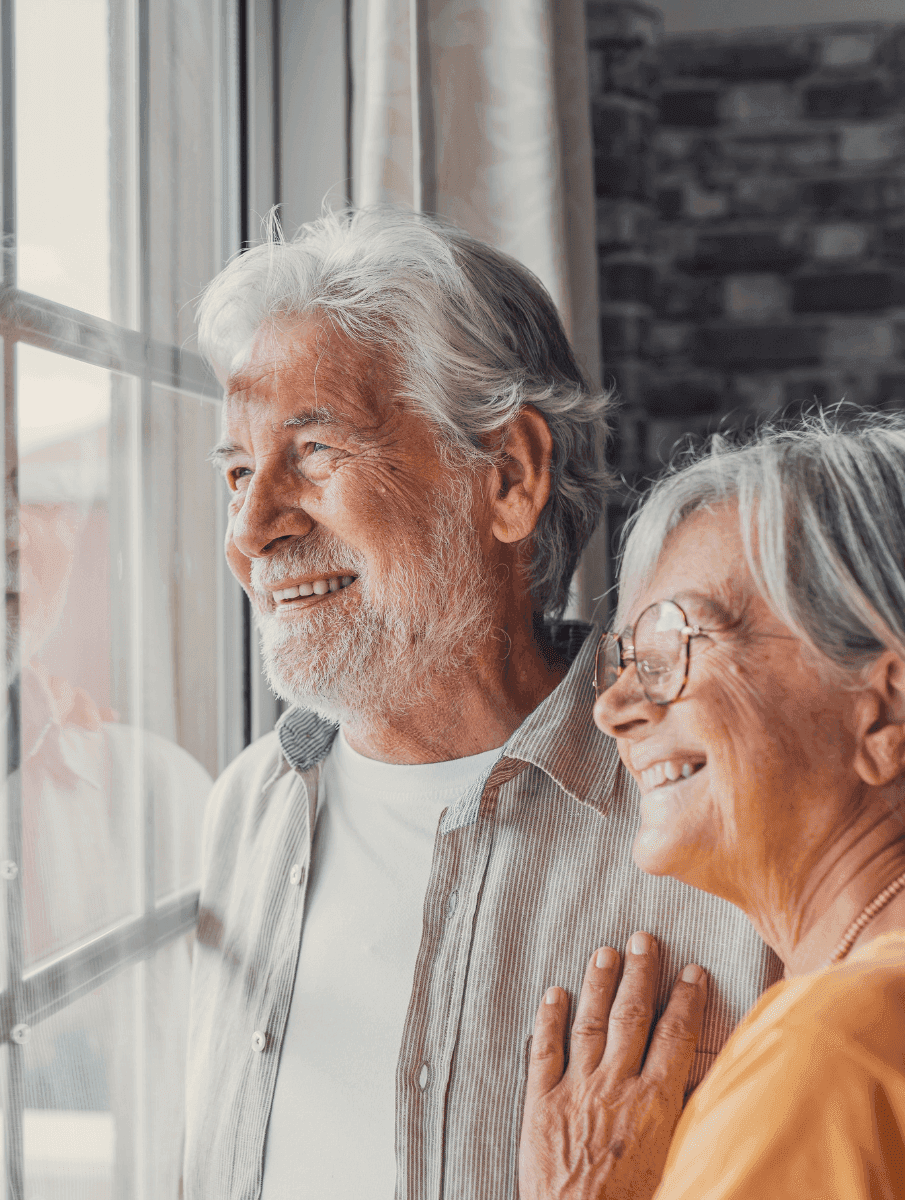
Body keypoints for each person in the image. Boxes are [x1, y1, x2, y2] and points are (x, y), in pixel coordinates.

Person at [182, 206, 777, 1200]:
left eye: (312, 451)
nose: (251, 528)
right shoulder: (245, 807)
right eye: (237, 470)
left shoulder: (721, 819)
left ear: (506, 476)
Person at [519, 413, 905, 1199]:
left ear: (884, 712)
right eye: (626, 661)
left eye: (673, 648)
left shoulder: (828, 1055)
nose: (614, 708)